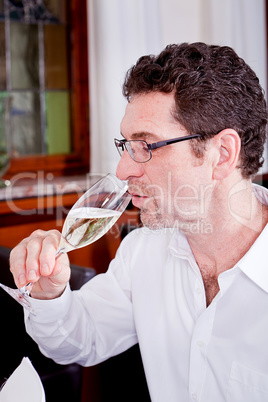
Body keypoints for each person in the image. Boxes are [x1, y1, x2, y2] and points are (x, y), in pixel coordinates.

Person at [10, 42, 268, 401]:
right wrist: (50, 292)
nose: (122, 169)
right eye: (126, 145)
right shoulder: (143, 251)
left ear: (222, 154)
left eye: (146, 146)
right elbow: (77, 342)